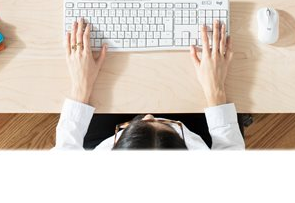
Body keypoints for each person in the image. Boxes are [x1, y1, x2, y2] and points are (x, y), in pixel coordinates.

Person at [53, 17, 245, 150]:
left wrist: (80, 86)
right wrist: (216, 88)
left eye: (143, 122)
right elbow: (230, 147)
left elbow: (66, 147)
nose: (149, 114)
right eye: (162, 123)